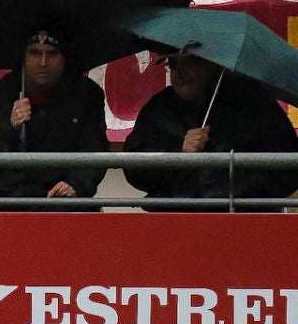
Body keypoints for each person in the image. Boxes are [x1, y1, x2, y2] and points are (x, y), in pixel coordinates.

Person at [122, 53, 298, 208]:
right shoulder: (159, 108)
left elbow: (288, 167)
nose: (180, 73)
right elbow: (134, 170)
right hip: (174, 222)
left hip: (242, 223)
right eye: (173, 64)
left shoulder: (252, 102)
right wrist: (178, 155)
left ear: (213, 64)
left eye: (190, 62)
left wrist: (237, 193)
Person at [0, 27, 108, 207]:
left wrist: (77, 184)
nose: (42, 62)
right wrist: (10, 128)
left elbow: (95, 151)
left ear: (65, 58)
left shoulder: (87, 95)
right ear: (22, 57)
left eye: (52, 53)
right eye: (34, 53)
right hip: (3, 198)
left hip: (57, 198)